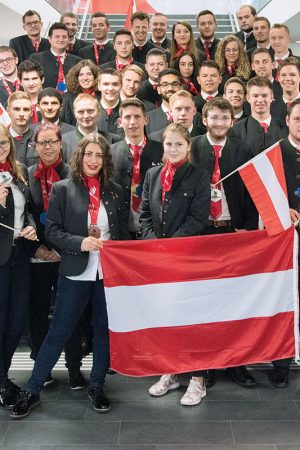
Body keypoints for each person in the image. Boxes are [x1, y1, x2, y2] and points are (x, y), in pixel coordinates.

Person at [10, 132, 130, 419]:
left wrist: (109, 243)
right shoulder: (64, 188)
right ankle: (32, 389)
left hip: (108, 274)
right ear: (80, 157)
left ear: (105, 160)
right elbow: (50, 231)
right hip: (76, 271)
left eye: (99, 155)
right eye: (88, 154)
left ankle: (98, 385)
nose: (93, 159)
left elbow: (123, 233)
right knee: (58, 332)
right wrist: (80, 242)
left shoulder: (114, 190)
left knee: (103, 331)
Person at [140, 122, 210, 406]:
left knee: (192, 320)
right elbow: (144, 213)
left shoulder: (199, 176)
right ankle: (170, 372)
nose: (173, 149)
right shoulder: (152, 174)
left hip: (188, 258)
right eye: (169, 144)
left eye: (179, 144)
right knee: (166, 318)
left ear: (188, 147)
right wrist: (154, 243)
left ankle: (197, 379)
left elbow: (198, 218)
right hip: (159, 259)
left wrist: (171, 246)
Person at [191, 98, 258, 388]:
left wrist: (248, 230)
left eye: (224, 118)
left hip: (233, 232)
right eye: (214, 117)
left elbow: (253, 192)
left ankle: (236, 363)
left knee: (234, 301)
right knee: (203, 301)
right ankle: (205, 366)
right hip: (201, 233)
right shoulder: (192, 147)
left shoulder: (243, 150)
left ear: (232, 121)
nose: (219, 123)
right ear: (204, 119)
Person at [27, 122, 85, 389]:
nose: (47, 147)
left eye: (52, 142)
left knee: (69, 313)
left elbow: (77, 216)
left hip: (66, 255)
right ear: (35, 146)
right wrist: (38, 248)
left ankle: (74, 367)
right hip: (38, 254)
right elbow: (26, 215)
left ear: (61, 143)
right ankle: (42, 366)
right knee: (38, 313)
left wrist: (62, 249)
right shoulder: (27, 175)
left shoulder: (74, 174)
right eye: (42, 143)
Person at [0, 124, 37, 409]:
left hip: (19, 255)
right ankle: (2, 383)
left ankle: (3, 378)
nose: (0, 148)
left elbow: (29, 212)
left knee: (16, 323)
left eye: (2, 143)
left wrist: (30, 228)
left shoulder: (20, 170)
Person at [272, 99, 300, 388]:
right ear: (289, 121)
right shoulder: (276, 152)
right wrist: (283, 209)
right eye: (298, 118)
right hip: (285, 239)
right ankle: (281, 363)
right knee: (285, 299)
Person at [111, 98, 163, 237]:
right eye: (127, 117)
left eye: (137, 117)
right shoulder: (109, 153)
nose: (133, 122)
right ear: (120, 122)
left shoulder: (162, 150)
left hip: (153, 227)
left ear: (146, 119)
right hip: (120, 227)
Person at [230, 76, 288, 156]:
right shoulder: (236, 131)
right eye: (255, 96)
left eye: (264, 96)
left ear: (272, 97)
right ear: (248, 98)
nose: (260, 100)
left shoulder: (286, 128)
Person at [62, 93, 121, 162]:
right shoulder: (63, 142)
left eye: (90, 111)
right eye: (81, 112)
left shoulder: (114, 140)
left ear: (99, 112)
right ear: (74, 113)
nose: (86, 116)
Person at [30, 22, 81, 92]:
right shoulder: (36, 58)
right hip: (44, 99)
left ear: (68, 40)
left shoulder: (77, 61)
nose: (61, 39)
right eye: (57, 36)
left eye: (64, 37)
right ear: (49, 39)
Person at [61, 59, 100, 126]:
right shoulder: (68, 97)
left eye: (89, 74)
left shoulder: (102, 95)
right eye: (81, 75)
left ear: (95, 76)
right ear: (76, 78)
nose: (85, 78)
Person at [146, 69, 182, 135]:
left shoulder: (195, 117)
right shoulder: (147, 119)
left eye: (174, 84)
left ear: (181, 88)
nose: (170, 88)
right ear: (158, 89)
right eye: (165, 85)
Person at [7, 91, 38, 167]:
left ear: (31, 113)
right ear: (8, 111)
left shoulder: (40, 139)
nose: (21, 114)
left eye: (26, 109)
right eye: (17, 109)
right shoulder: (2, 138)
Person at [97, 68, 123, 137]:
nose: (111, 88)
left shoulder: (129, 111)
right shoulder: (88, 112)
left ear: (121, 86)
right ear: (99, 86)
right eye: (106, 84)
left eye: (115, 84)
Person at [17, 60, 44, 124]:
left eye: (34, 78)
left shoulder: (53, 101)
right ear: (20, 82)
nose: (31, 83)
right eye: (26, 79)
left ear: (42, 80)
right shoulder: (15, 104)